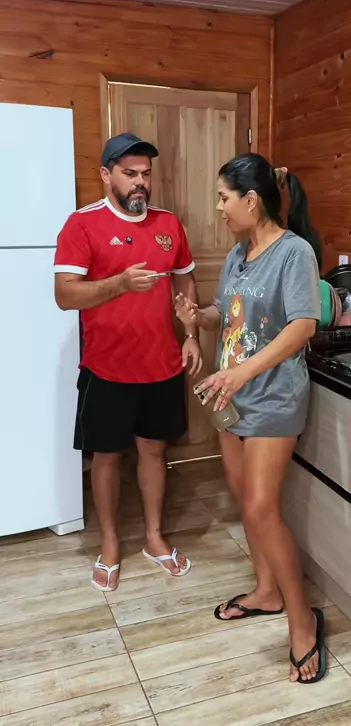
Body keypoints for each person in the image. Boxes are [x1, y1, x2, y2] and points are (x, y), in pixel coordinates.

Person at [174, 153, 324, 684]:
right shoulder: (239, 253)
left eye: (224, 197)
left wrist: (241, 373)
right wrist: (198, 318)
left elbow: (302, 326)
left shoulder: (293, 253)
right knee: (245, 500)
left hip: (272, 399)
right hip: (231, 397)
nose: (219, 208)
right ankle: (266, 591)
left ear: (252, 199)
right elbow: (227, 312)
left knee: (262, 509)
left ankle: (303, 622)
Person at [54, 132, 202, 592]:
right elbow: (65, 295)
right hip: (106, 367)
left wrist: (191, 333)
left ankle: (154, 537)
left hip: (161, 363)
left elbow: (185, 280)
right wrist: (119, 283)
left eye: (146, 174)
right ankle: (111, 544)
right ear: (106, 175)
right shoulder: (82, 225)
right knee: (106, 456)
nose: (141, 183)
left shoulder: (168, 223)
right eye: (130, 173)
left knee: (154, 451)